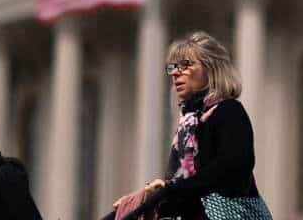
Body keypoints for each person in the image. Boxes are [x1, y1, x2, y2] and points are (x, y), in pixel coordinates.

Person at [114, 30, 270, 220]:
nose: (176, 73)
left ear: (211, 68)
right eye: (172, 67)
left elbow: (234, 165)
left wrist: (171, 188)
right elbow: (186, 191)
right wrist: (144, 200)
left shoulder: (228, 110)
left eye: (186, 65)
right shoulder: (187, 124)